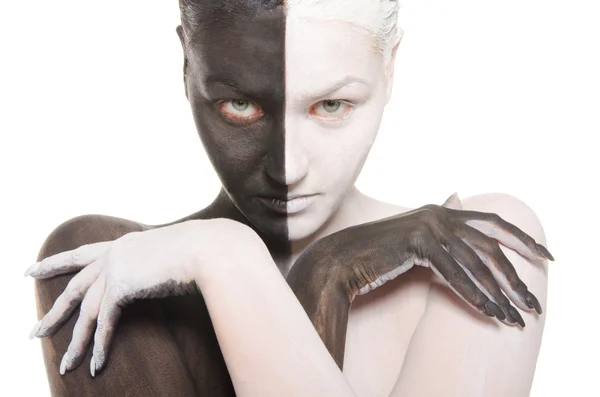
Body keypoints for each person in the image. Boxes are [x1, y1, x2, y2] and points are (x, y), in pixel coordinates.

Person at [27, 1, 552, 396]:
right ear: (188, 66)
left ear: (390, 67)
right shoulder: (106, 265)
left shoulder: (480, 247)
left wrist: (323, 268)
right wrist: (233, 253)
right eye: (240, 105)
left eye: (330, 104)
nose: (287, 169)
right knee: (82, 245)